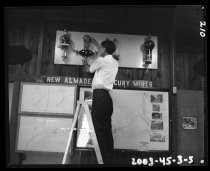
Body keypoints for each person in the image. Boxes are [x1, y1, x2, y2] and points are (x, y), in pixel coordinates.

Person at [82, 36, 119, 165]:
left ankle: (104, 162)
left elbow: (89, 70)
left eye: (101, 47)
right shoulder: (114, 62)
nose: (99, 49)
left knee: (99, 130)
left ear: (105, 49)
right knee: (106, 130)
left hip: (100, 97)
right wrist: (92, 40)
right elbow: (101, 49)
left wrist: (84, 61)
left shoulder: (101, 60)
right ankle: (109, 160)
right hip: (107, 99)